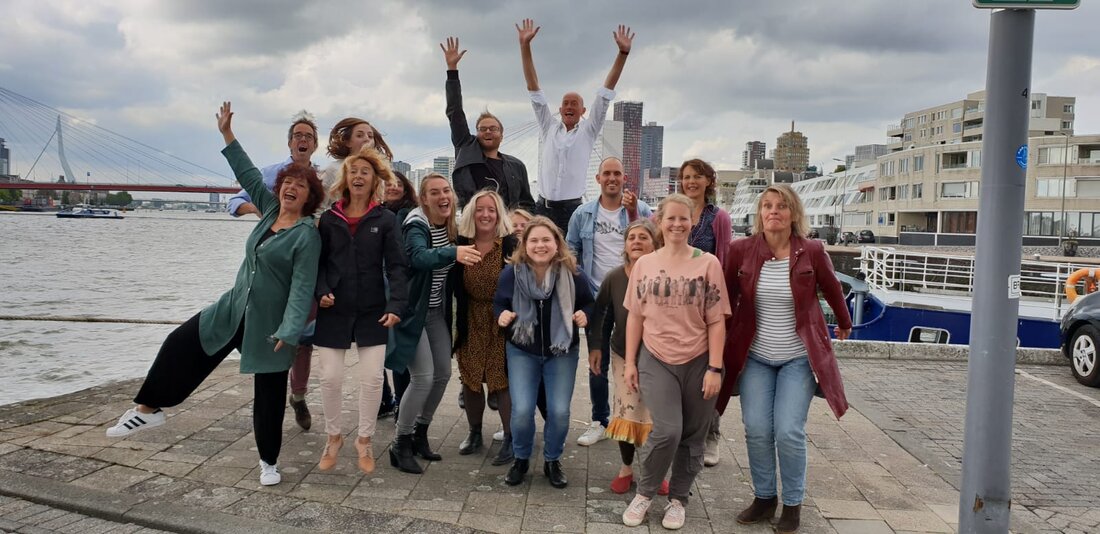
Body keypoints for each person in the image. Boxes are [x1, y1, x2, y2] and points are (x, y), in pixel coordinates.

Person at [106, 102, 322, 488]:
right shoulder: (270, 208)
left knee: (269, 397)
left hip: (270, 326)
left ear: (309, 195)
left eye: (300, 185)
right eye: (287, 182)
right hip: (233, 308)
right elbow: (246, 172)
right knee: (179, 343)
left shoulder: (307, 234)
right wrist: (226, 134)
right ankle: (148, 407)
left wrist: (290, 331)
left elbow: (303, 287)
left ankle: (269, 462)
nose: (291, 187)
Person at [717, 184, 852, 534]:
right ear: (760, 214)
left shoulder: (811, 250)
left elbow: (832, 288)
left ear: (793, 214)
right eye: (767, 206)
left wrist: (844, 322)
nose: (773, 211)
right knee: (758, 429)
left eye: (781, 206)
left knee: (789, 431)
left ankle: (792, 503)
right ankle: (765, 498)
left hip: (798, 356)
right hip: (756, 356)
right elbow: (726, 300)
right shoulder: (740, 250)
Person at [620, 194, 730, 530]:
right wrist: (630, 363)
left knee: (693, 436)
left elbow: (716, 320)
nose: (678, 224)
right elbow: (635, 317)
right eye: (671, 219)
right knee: (667, 431)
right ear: (659, 221)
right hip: (656, 357)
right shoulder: (645, 264)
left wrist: (714, 367)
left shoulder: (708, 263)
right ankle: (645, 492)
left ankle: (679, 499)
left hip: (699, 359)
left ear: (692, 222)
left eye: (684, 219)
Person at [313, 146, 408, 475]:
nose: (358, 176)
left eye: (365, 172)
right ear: (345, 178)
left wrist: (396, 305)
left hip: (373, 310)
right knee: (329, 378)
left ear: (374, 180)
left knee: (371, 381)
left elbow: (397, 266)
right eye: (353, 171)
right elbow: (319, 264)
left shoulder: (386, 219)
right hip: (333, 309)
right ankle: (334, 437)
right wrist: (321, 289)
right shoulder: (328, 219)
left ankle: (364, 440)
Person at [224, 111, 320, 431]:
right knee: (272, 333)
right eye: (298, 136)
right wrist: (266, 211)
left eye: (308, 136)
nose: (303, 140)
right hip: (274, 266)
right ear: (290, 143)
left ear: (315, 144)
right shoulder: (271, 174)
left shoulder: (323, 180)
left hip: (307, 260)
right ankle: (272, 394)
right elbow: (235, 202)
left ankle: (299, 395)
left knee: (303, 337)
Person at [386, 173, 482, 474]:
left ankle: (419, 433)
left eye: (447, 191)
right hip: (412, 313)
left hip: (436, 312)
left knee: (442, 373)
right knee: (423, 377)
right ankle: (399, 442)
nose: (443, 197)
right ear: (423, 199)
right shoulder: (416, 224)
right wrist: (454, 252)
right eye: (435, 193)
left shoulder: (451, 224)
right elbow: (417, 257)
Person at [494, 216, 594, 488]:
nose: (540, 245)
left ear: (557, 244)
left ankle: (552, 460)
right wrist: (502, 314)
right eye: (534, 240)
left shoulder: (573, 272)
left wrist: (585, 314)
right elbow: (498, 303)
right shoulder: (511, 273)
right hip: (522, 350)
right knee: (523, 410)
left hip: (561, 352)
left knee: (560, 411)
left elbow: (590, 303)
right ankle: (521, 458)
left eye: (546, 240)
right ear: (524, 245)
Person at [516, 18, 634, 232]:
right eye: (565, 104)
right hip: (543, 208)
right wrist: (525, 46)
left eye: (574, 104)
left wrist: (623, 54)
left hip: (573, 210)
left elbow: (605, 94)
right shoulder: (548, 127)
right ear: (560, 110)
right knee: (539, 255)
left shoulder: (589, 131)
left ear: (583, 111)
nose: (569, 107)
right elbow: (534, 90)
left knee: (572, 259)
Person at [565, 157, 652, 446]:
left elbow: (653, 244)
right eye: (607, 174)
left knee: (639, 358)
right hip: (598, 294)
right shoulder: (583, 213)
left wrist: (632, 212)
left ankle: (641, 417)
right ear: (598, 179)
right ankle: (600, 419)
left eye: (617, 174)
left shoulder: (641, 210)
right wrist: (579, 285)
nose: (612, 178)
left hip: (635, 293)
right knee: (597, 358)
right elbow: (571, 248)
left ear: (624, 178)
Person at [588, 218, 668, 496]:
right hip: (624, 352)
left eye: (643, 237)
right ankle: (626, 468)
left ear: (656, 242)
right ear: (624, 245)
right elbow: (601, 315)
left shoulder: (667, 272)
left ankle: (656, 471)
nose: (637, 241)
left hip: (662, 355)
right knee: (628, 411)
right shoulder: (615, 277)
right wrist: (596, 348)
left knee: (658, 415)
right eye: (631, 237)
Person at [452, 190, 517, 465]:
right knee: (471, 378)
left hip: (502, 319)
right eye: (480, 209)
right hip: (471, 317)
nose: (486, 214)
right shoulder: (462, 243)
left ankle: (511, 438)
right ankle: (475, 432)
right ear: (471, 213)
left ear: (499, 214)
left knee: (501, 379)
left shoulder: (511, 245)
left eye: (491, 209)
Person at [677, 158, 732, 467]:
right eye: (686, 177)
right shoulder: (675, 213)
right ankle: (683, 432)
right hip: (677, 304)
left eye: (697, 176)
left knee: (710, 369)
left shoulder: (718, 217)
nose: (691, 182)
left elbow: (724, 259)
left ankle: (711, 433)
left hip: (706, 303)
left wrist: (721, 309)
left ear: (709, 181)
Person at [442, 37, 534, 210]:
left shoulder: (516, 166)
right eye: (482, 129)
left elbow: (527, 203)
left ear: (502, 134)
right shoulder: (466, 148)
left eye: (493, 128)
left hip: (506, 230)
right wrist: (452, 70)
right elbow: (455, 112)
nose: (488, 132)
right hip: (474, 225)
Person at [380, 170, 419, 418]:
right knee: (381, 348)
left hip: (397, 285)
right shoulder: (378, 212)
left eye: (397, 184)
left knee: (397, 351)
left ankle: (400, 407)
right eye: (387, 184)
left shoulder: (407, 215)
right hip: (379, 285)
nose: (392, 187)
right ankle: (388, 401)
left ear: (406, 189)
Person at [318, 117, 395, 206]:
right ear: (347, 142)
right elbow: (319, 207)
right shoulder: (334, 168)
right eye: (359, 135)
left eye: (370, 136)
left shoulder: (380, 170)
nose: (367, 139)